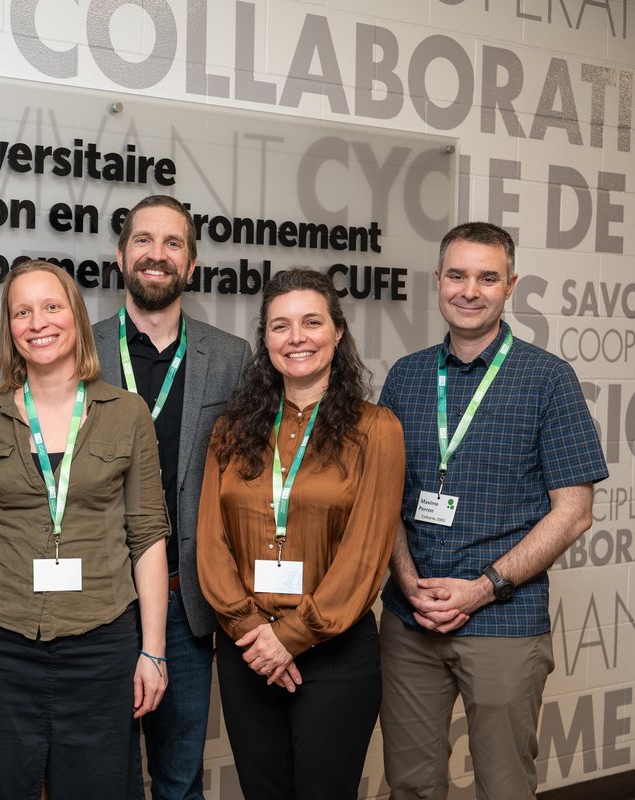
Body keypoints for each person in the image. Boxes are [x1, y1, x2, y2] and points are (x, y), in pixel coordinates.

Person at [377, 222, 608, 800]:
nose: (469, 291)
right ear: (438, 280)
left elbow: (574, 512)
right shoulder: (406, 376)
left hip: (503, 622)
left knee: (504, 787)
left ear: (511, 286)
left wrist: (482, 589)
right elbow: (383, 500)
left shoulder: (548, 379)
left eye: (487, 278)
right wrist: (407, 582)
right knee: (410, 785)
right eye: (457, 276)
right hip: (411, 622)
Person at [0, 259, 171, 800]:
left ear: (75, 315)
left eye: (51, 307)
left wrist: (152, 651)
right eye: (22, 312)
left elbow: (147, 536)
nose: (38, 323)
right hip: (0, 648)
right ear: (9, 327)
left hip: (100, 643)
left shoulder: (127, 413)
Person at [197, 268, 404, 800]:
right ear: (265, 339)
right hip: (247, 649)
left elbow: (366, 554)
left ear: (338, 332)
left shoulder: (376, 429)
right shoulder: (230, 430)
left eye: (312, 322)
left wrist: (289, 637)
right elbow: (211, 542)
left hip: (336, 653)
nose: (296, 338)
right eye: (280, 325)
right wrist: (250, 629)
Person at [93, 195, 249, 800]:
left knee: (179, 781)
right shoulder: (82, 350)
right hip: (100, 599)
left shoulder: (230, 358)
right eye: (143, 240)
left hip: (186, 604)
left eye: (172, 243)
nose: (156, 254)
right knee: (102, 779)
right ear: (120, 256)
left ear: (191, 263)